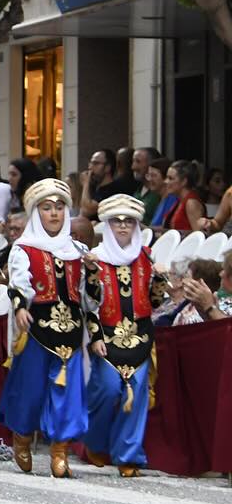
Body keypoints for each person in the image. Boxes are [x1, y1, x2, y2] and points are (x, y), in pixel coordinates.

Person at [0, 177, 100, 477]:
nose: (55, 213)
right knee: (29, 392)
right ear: (35, 213)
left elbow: (90, 299)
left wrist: (94, 275)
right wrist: (20, 308)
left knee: (68, 394)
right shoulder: (24, 249)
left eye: (59, 207)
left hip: (69, 331)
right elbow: (18, 284)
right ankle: (22, 436)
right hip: (36, 329)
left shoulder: (79, 250)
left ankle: (60, 451)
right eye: (47, 208)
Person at [84, 194, 169, 478]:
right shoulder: (96, 259)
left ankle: (128, 455)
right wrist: (94, 337)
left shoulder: (145, 256)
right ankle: (95, 443)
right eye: (117, 222)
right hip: (106, 337)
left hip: (140, 336)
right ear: (107, 226)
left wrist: (159, 280)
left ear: (136, 225)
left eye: (129, 222)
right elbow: (89, 304)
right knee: (106, 391)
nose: (122, 227)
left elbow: (155, 302)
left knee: (137, 395)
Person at [163, 160, 206, 233]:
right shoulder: (180, 200)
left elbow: (198, 235)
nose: (166, 181)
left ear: (184, 181)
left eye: (170, 178)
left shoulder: (191, 203)